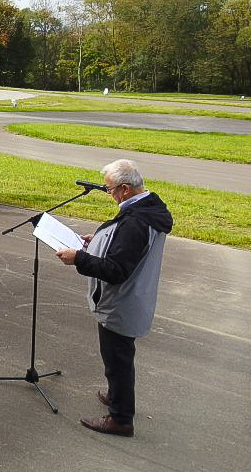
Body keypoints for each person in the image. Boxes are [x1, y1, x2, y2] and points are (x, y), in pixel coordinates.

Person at [56, 159, 173, 438]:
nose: (109, 195)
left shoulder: (136, 221)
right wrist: (96, 242)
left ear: (124, 189)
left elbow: (116, 270)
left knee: (117, 359)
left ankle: (120, 419)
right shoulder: (147, 207)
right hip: (130, 298)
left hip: (121, 303)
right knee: (117, 357)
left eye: (109, 190)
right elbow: (122, 246)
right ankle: (116, 394)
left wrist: (79, 258)